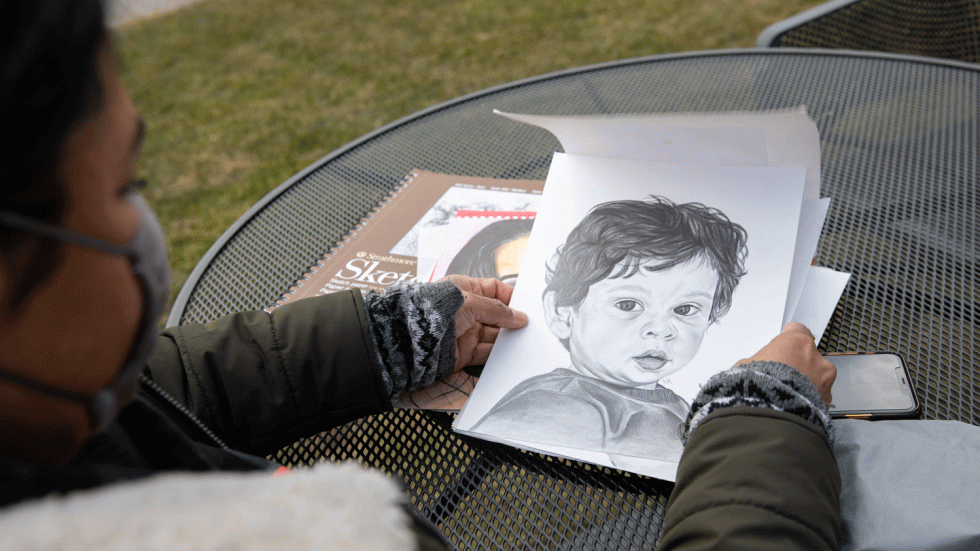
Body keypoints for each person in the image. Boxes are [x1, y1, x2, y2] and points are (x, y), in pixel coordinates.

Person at [0, 1, 526, 548]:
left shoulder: (57, 404)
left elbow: (177, 383)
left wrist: (393, 335)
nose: (144, 226)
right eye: (126, 186)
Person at [470, 197, 748, 463]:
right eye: (628, 304)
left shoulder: (674, 403)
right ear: (562, 313)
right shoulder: (559, 404)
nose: (661, 330)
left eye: (685, 310)